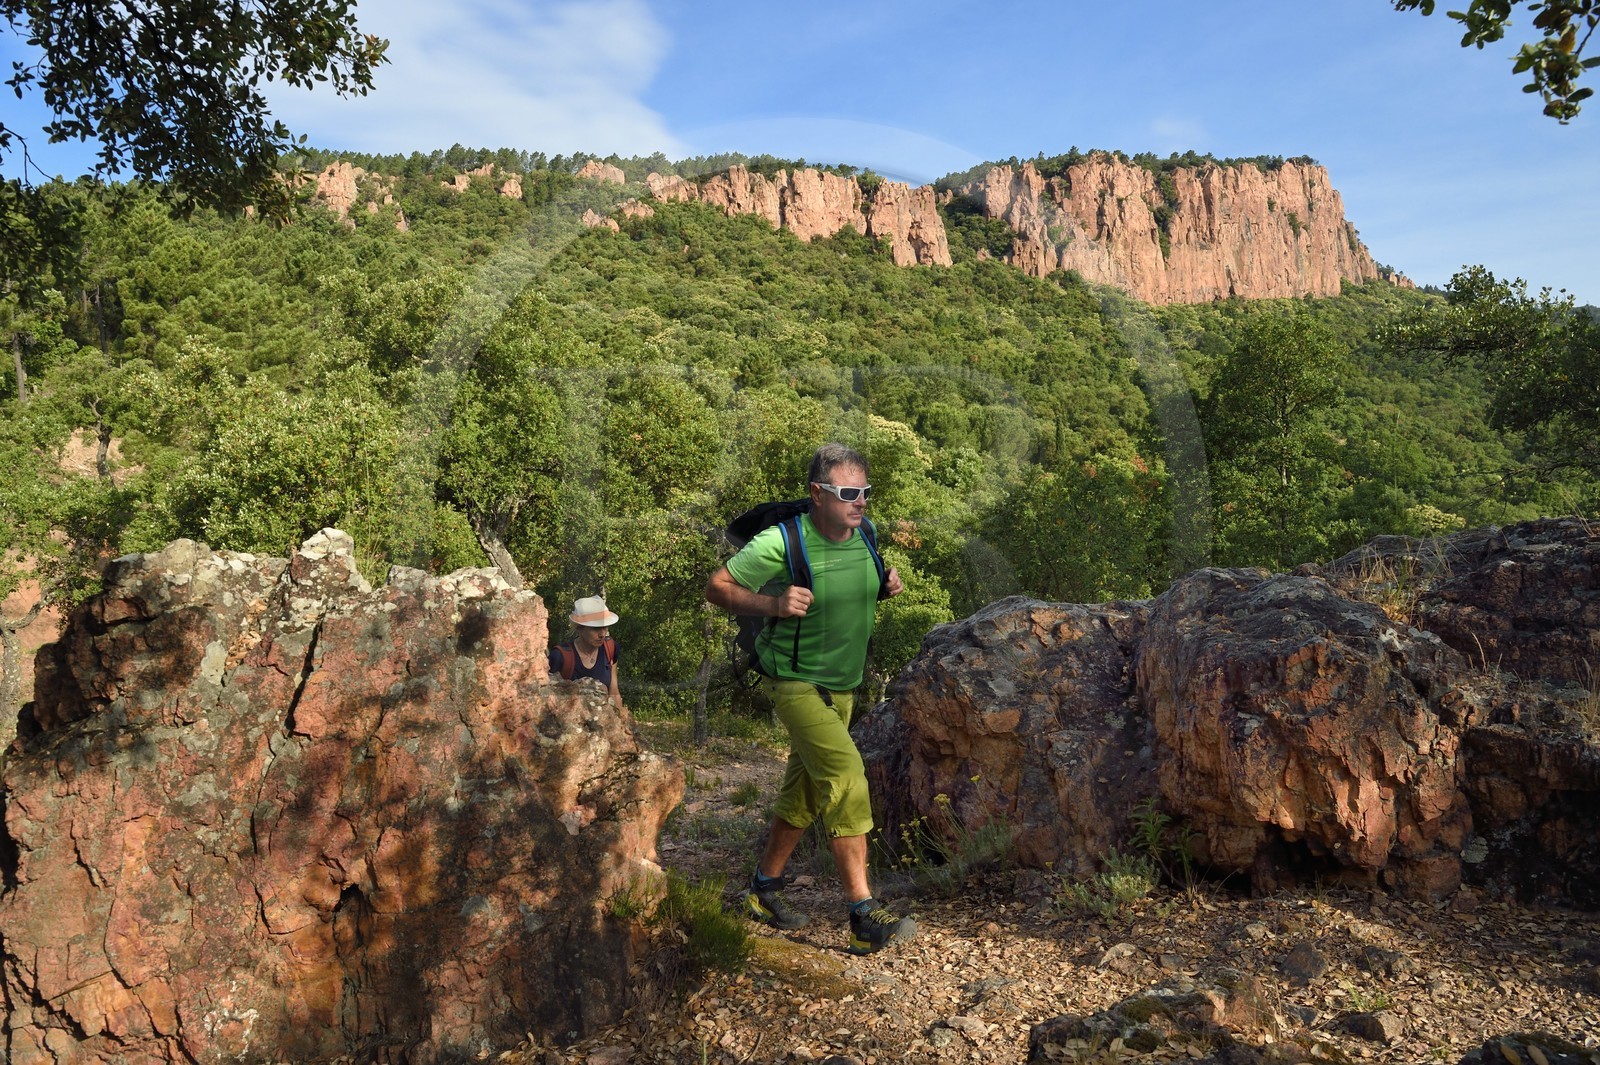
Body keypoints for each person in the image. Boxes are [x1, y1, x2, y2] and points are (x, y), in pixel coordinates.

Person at [704, 443, 916, 956]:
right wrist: (772, 603)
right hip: (794, 679)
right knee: (845, 777)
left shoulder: (864, 535)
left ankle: (763, 889)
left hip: (843, 684)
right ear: (817, 494)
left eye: (865, 492)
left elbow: (855, 588)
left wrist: (885, 584)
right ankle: (863, 914)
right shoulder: (783, 541)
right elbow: (718, 587)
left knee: (803, 792)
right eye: (848, 492)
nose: (861, 501)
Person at [549, 595, 625, 711]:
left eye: (605, 627)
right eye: (595, 628)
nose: (602, 634)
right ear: (579, 628)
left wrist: (620, 721)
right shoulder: (560, 656)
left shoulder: (610, 648)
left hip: (603, 722)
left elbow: (614, 691)